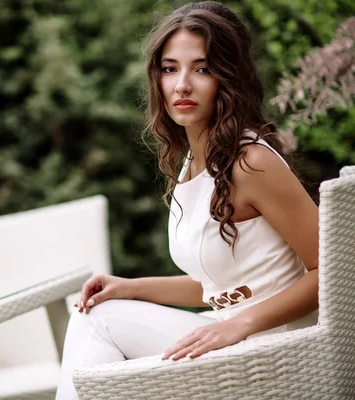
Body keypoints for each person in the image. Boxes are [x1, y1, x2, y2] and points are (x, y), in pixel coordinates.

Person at [55, 2, 320, 399]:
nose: (182, 84)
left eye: (202, 68)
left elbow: (335, 272)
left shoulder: (251, 161)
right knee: (97, 314)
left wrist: (239, 325)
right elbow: (219, 287)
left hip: (276, 352)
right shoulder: (193, 163)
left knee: (96, 325)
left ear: (227, 77)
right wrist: (130, 286)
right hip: (227, 337)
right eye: (169, 68)